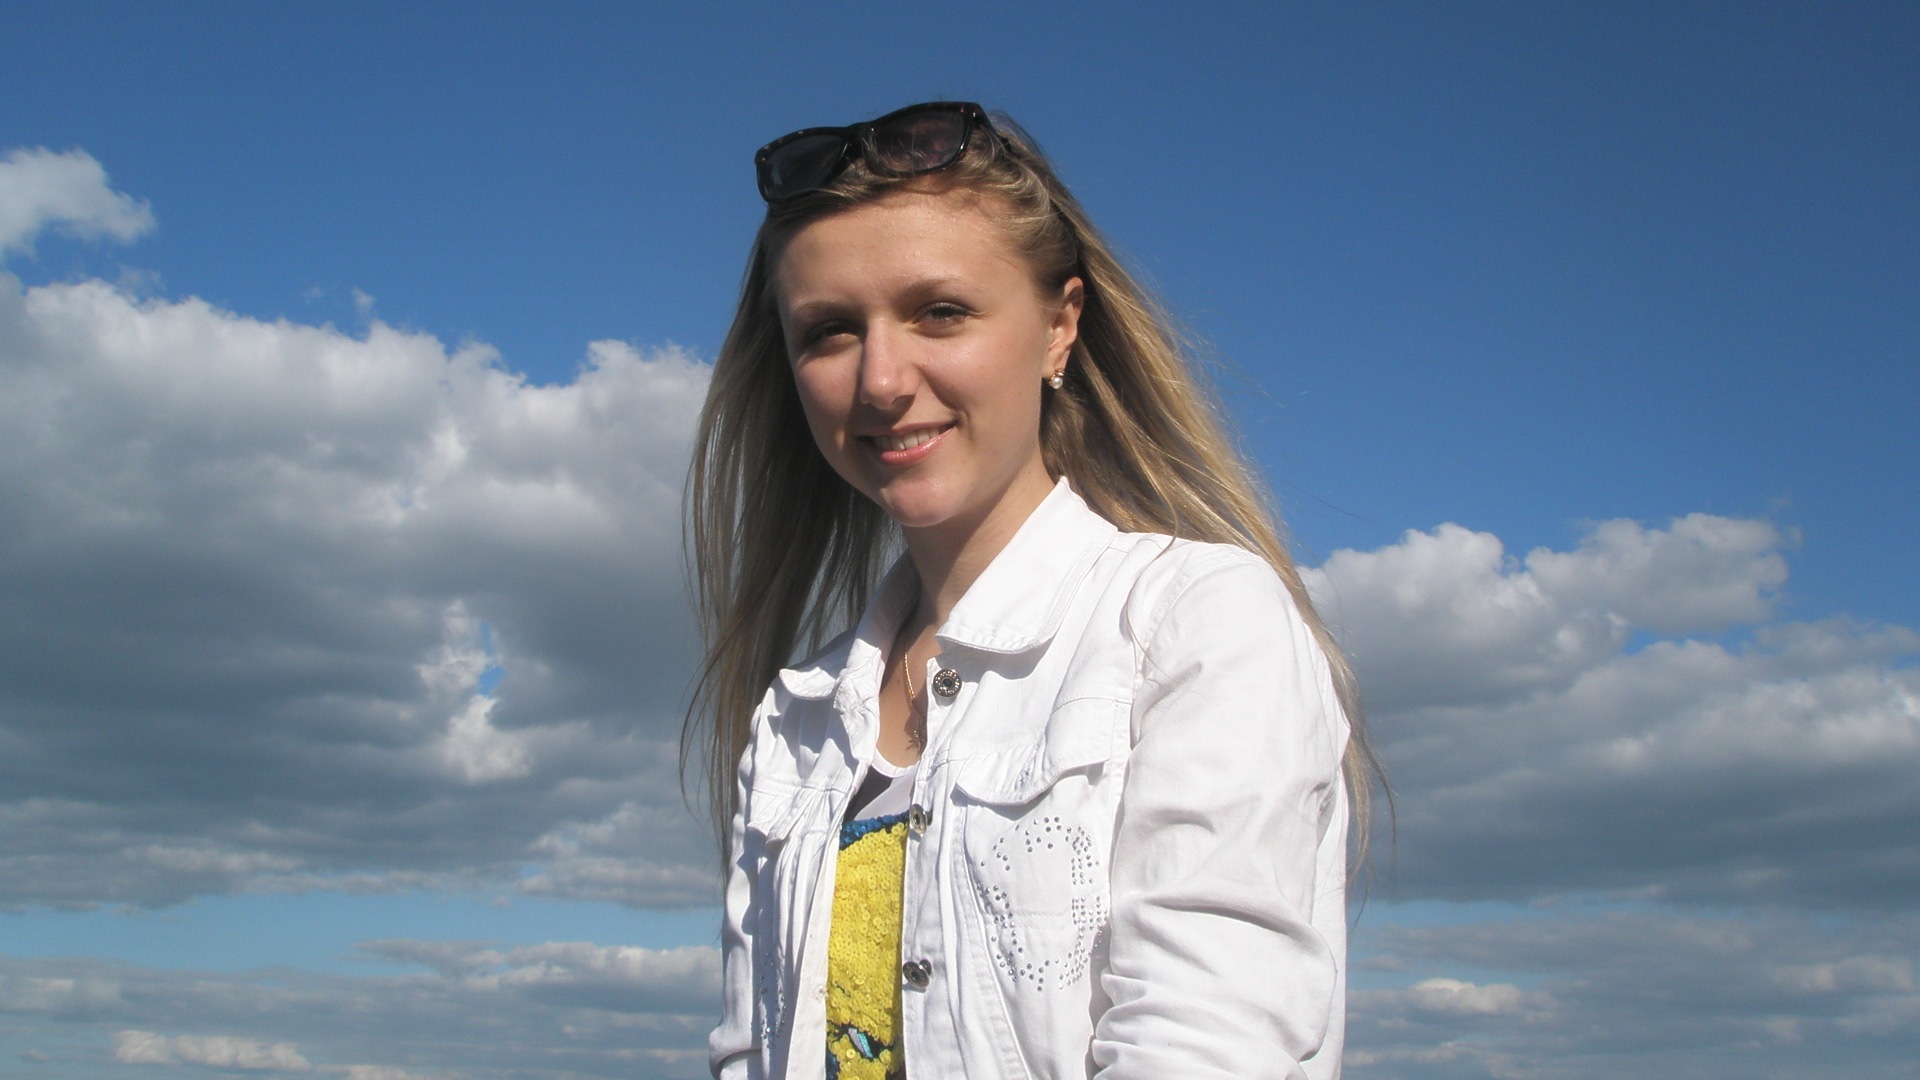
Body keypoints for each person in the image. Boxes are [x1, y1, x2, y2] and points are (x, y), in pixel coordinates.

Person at [687, 101, 1378, 1080]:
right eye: (830, 331)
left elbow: (1203, 1051)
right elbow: (749, 1054)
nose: (881, 380)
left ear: (1060, 327)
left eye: (940, 312)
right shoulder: (794, 720)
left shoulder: (1194, 625)